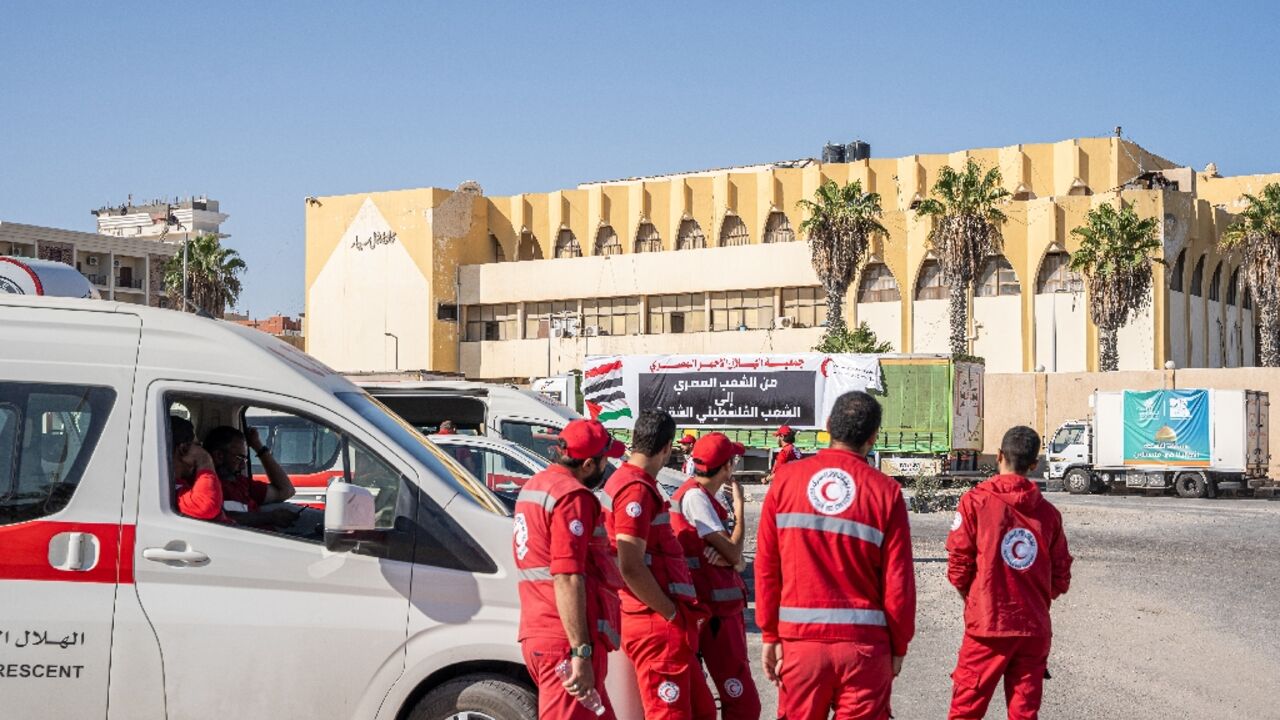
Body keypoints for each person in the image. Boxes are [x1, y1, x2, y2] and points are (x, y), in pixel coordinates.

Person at [755, 391, 916, 720]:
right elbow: (899, 582)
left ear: (828, 426)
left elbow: (767, 567)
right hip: (864, 648)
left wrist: (769, 633)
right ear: (873, 437)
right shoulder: (886, 492)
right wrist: (899, 645)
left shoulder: (786, 481)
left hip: (800, 646)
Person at [946, 426, 1073, 720]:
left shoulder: (975, 502)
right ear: (1033, 464)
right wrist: (1035, 596)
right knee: (1024, 712)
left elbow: (958, 565)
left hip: (987, 626)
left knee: (965, 710)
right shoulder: (1049, 514)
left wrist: (975, 597)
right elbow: (1061, 576)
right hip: (1032, 628)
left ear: (999, 456)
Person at [602, 410, 715, 720]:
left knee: (701, 710)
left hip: (662, 619)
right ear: (667, 447)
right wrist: (671, 613)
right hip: (656, 621)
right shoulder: (635, 488)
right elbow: (631, 565)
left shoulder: (630, 481)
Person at [514, 418, 626, 720]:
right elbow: (566, 575)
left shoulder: (535, 487)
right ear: (588, 464)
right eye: (605, 460)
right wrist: (581, 652)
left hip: (542, 631)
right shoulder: (572, 497)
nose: (607, 467)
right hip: (564, 643)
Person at [670, 433, 760, 720]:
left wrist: (731, 558)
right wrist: (741, 506)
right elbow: (736, 556)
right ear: (727, 468)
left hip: (713, 614)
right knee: (743, 705)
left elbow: (735, 560)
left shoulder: (697, 493)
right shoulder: (696, 498)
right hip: (715, 617)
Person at [203, 426, 298, 529]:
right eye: (240, 458)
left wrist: (258, 447)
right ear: (219, 456)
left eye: (245, 460)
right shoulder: (203, 487)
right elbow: (217, 518)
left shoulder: (242, 483)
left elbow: (286, 490)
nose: (243, 466)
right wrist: (270, 517)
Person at [170, 416, 223, 521]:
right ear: (184, 449)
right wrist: (204, 459)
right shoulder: (169, 490)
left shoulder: (183, 483)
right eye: (198, 446)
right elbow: (206, 507)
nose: (201, 450)